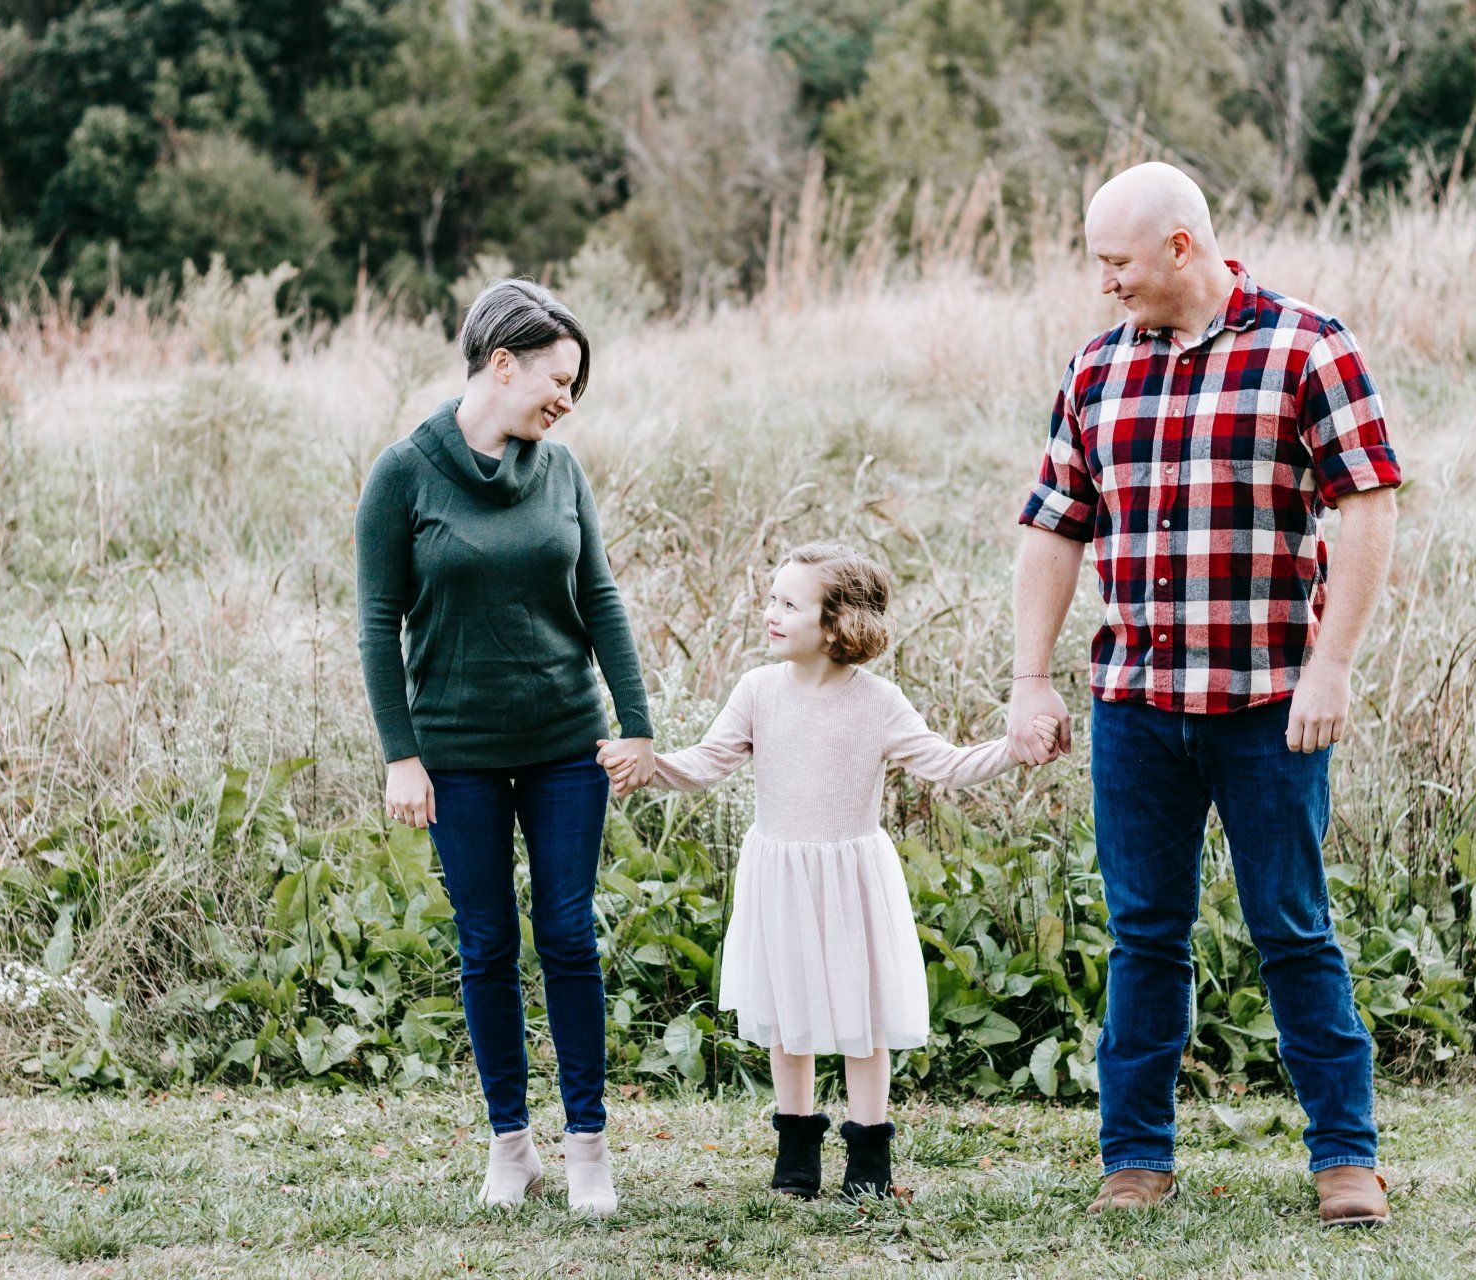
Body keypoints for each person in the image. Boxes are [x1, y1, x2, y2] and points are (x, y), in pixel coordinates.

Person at [1006, 163, 1401, 1225]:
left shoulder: (1307, 345)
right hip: (1135, 702)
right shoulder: (1097, 369)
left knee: (1293, 925)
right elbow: (1053, 523)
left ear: (1182, 245)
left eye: (1117, 262)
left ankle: (1345, 1159)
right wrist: (1030, 677)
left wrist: (1332, 663)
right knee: (1145, 932)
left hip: (1271, 701)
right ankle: (1134, 1156)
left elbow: (1368, 505)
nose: (1105, 284)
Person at [607, 542, 1058, 1199]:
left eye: (790, 604)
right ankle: (796, 1152)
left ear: (836, 622)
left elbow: (946, 763)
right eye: (771, 599)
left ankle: (869, 1156)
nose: (770, 613)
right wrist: (646, 764)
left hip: (852, 876)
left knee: (861, 1016)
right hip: (779, 874)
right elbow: (708, 761)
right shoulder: (758, 691)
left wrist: (1012, 749)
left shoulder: (876, 702)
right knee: (788, 1013)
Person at [354, 278, 655, 1216]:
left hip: (568, 743)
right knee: (485, 941)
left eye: (577, 386)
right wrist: (402, 756)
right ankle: (510, 1145)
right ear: (501, 362)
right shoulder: (402, 472)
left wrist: (635, 723)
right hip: (458, 753)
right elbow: (376, 622)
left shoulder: (560, 472)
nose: (568, 399)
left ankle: (587, 1149)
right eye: (559, 379)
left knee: (567, 934)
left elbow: (599, 599)